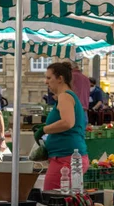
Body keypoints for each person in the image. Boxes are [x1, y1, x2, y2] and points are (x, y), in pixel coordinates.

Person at [35, 62, 89, 191]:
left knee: (52, 198)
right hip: (65, 157)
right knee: (59, 199)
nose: (46, 82)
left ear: (60, 79)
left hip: (66, 159)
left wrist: (44, 129)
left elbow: (67, 122)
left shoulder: (65, 96)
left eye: (49, 78)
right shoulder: (65, 97)